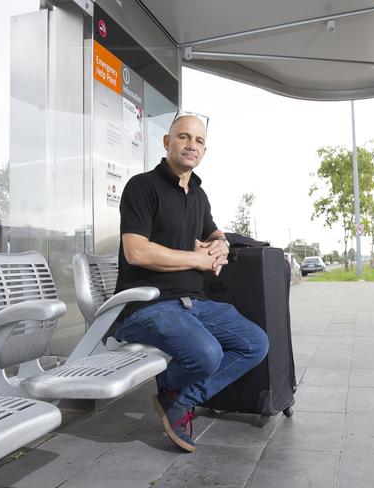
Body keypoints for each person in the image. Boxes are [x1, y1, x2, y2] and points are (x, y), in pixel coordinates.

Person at [114, 113, 269, 453]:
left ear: (204, 150)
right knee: (207, 354)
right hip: (147, 305)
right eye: (184, 137)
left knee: (256, 343)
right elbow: (136, 251)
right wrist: (198, 259)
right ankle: (175, 396)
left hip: (193, 303)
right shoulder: (141, 187)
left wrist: (221, 246)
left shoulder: (198, 194)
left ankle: (177, 397)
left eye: (199, 141)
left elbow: (214, 233)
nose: (191, 145)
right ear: (168, 142)